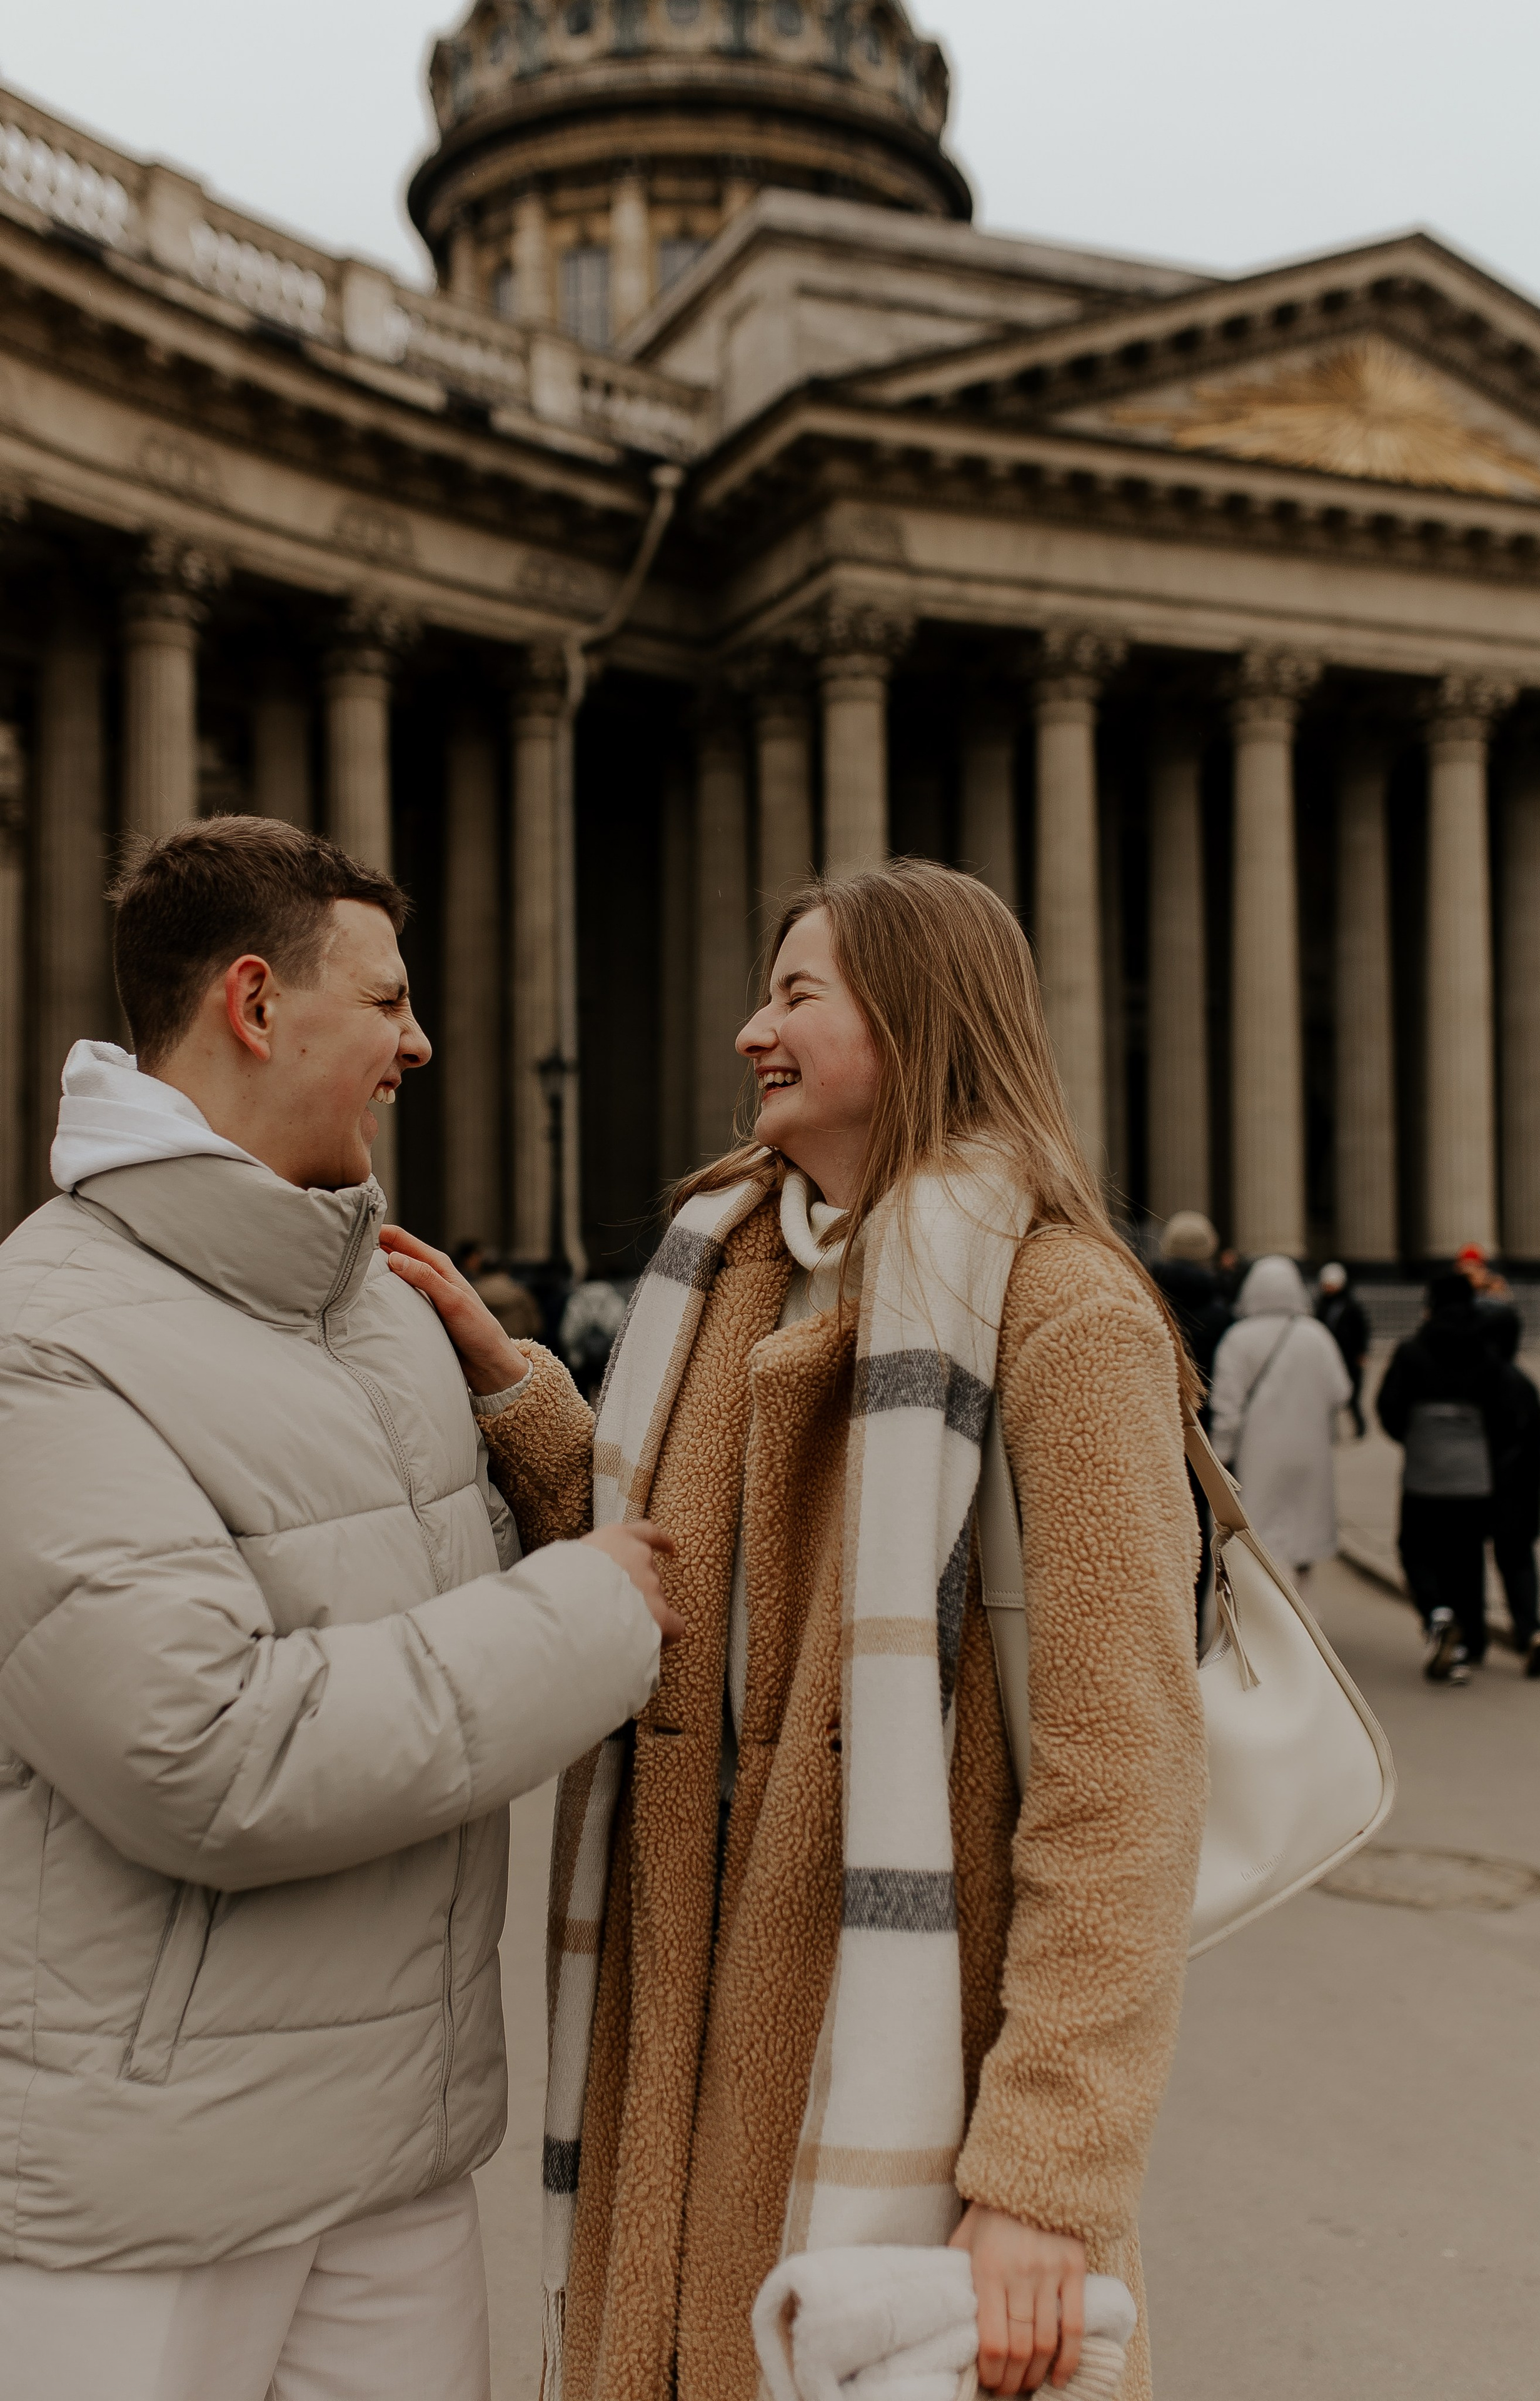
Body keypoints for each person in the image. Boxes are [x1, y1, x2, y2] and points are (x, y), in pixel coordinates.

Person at [389, 861, 1206, 2401]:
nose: (752, 1030)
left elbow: (1124, 1790)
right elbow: (662, 1582)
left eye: (795, 994)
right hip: (684, 2035)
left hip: (901, 2064)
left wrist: (1042, 2169)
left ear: (910, 1017)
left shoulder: (1063, 1311)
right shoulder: (728, 1280)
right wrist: (515, 1384)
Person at [0, 817, 678, 2401]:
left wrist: (516, 1390)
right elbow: (205, 1751)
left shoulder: (385, 1310)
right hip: (154, 2194)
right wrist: (592, 1611)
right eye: (386, 998)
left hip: (396, 2160)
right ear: (255, 1002)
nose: (419, 1040)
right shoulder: (46, 1338)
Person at [1377, 1271, 1520, 1684]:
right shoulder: (1486, 1353)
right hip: (1473, 1476)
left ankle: (1437, 1614)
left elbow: (1389, 1406)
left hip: (1425, 1471)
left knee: (1415, 1547)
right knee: (1468, 1557)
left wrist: (1415, 1438)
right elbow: (1508, 1414)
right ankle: (1470, 1642)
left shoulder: (1412, 1351)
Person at [1208, 1257, 1351, 1593]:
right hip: (1309, 1454)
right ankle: (1305, 1625)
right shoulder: (1317, 1335)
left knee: (1263, 1539)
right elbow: (1340, 1392)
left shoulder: (1238, 1338)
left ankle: (1271, 1622)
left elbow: (1226, 1406)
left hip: (1258, 1455)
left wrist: (1221, 1458)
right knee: (1302, 1541)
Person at [1479, 1306, 1540, 1677]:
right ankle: (1532, 1631)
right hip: (1522, 1488)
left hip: (1484, 1484)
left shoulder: (1478, 1381)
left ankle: (1471, 1637)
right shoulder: (1524, 1384)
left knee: (1470, 1561)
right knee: (1519, 1561)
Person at [1150, 1210, 1233, 1399]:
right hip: (1204, 1406)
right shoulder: (1221, 1311)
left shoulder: (1144, 1300)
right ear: (1209, 1249)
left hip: (1157, 1405)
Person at [1315, 1262, 1371, 1438]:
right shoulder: (1321, 1306)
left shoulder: (1351, 1306)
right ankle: (1331, 1431)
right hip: (1328, 1355)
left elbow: (1362, 1330)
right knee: (1326, 1395)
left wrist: (1362, 1352)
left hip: (1349, 1356)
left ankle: (1360, 1426)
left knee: (1352, 1396)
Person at [452, 1236, 543, 1340]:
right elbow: (535, 1326)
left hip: (483, 1345)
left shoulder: (473, 1292)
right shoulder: (520, 1292)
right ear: (504, 1270)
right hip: (517, 1345)